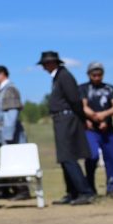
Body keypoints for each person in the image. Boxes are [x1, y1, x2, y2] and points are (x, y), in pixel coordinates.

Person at [38, 51, 94, 205]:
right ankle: (72, 191)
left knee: (68, 156)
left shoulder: (64, 76)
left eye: (45, 64)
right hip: (61, 119)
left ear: (53, 63)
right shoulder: (58, 77)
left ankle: (85, 191)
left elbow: (74, 99)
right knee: (64, 157)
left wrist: (82, 118)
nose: (44, 67)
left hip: (67, 118)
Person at [79, 61, 113, 195]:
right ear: (89, 74)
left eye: (99, 74)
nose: (97, 77)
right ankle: (90, 187)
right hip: (90, 130)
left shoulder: (109, 88)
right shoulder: (83, 88)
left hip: (107, 130)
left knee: (111, 159)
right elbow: (82, 105)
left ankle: (112, 188)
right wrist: (91, 116)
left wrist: (104, 115)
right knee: (92, 156)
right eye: (94, 75)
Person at [0, 65, 29, 199]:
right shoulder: (3, 90)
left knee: (14, 159)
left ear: (2, 74)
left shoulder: (10, 90)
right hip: (2, 130)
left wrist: (8, 136)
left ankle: (22, 190)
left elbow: (11, 115)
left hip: (8, 132)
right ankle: (15, 189)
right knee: (8, 161)